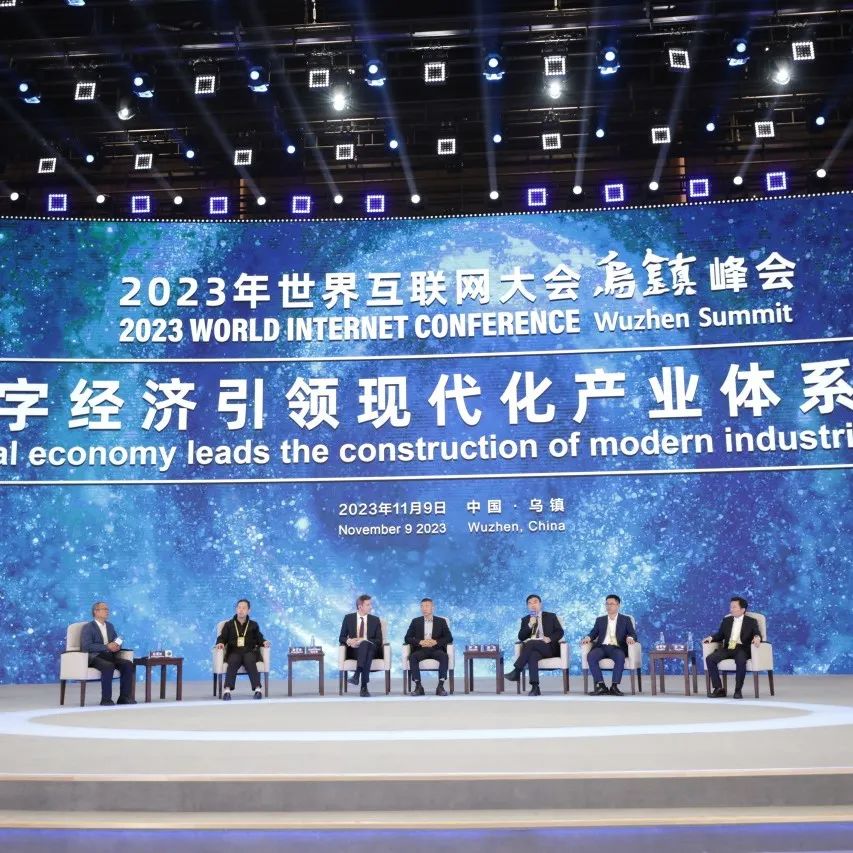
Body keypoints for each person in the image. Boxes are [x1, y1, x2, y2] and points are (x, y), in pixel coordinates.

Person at [703, 596, 762, 699]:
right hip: (729, 647)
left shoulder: (751, 621)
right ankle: (719, 689)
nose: (731, 609)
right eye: (731, 607)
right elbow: (720, 635)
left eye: (734, 607)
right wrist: (711, 638)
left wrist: (757, 637)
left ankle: (738, 690)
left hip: (742, 648)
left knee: (741, 660)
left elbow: (757, 633)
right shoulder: (726, 620)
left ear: (743, 609)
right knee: (710, 659)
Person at [504, 594, 564, 696]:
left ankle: (517, 671)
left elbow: (560, 632)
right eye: (530, 603)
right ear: (527, 606)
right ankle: (535, 687)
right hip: (534, 649)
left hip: (549, 648)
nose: (533, 605)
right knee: (532, 655)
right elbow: (521, 637)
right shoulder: (525, 620)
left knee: (530, 643)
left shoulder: (551, 616)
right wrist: (530, 625)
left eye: (535, 602)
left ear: (540, 604)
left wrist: (549, 639)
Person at [79, 602, 136, 706]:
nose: (107, 611)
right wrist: (106, 647)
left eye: (107, 609)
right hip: (95, 656)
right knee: (108, 666)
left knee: (128, 664)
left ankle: (124, 698)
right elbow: (86, 647)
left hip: (110, 655)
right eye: (104, 609)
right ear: (96, 612)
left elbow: (115, 641)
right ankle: (106, 699)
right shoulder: (88, 627)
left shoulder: (110, 626)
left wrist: (117, 646)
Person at [581, 594, 638, 696]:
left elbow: (632, 633)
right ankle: (601, 686)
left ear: (618, 605)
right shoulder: (600, 620)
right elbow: (593, 633)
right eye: (607, 604)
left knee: (620, 656)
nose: (608, 606)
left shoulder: (625, 619)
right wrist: (588, 638)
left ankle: (614, 687)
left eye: (611, 604)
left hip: (617, 648)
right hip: (602, 647)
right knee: (591, 656)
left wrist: (630, 638)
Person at [216, 599, 270, 700]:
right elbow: (222, 637)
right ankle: (227, 691)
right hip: (234, 651)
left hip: (249, 651)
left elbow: (259, 637)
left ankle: (258, 689)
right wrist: (220, 643)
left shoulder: (253, 625)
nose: (241, 610)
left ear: (248, 610)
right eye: (239, 608)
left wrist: (264, 642)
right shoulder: (229, 624)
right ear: (236, 609)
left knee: (250, 660)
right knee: (233, 660)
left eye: (244, 608)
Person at [404, 598, 453, 696]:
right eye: (422, 606)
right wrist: (420, 642)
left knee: (444, 656)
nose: (424, 608)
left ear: (432, 607)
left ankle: (440, 687)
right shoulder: (415, 621)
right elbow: (407, 638)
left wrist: (436, 642)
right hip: (421, 649)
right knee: (413, 657)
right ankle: (418, 687)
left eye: (427, 606)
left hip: (436, 649)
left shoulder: (441, 621)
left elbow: (449, 638)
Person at [338, 594, 384, 697]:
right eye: (368, 605)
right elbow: (341, 637)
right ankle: (364, 687)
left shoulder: (375, 620)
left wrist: (364, 640)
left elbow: (379, 640)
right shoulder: (348, 618)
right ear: (360, 606)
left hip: (372, 649)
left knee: (365, 645)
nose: (371, 607)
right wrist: (350, 641)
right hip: (354, 651)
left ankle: (357, 674)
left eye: (370, 604)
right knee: (367, 652)